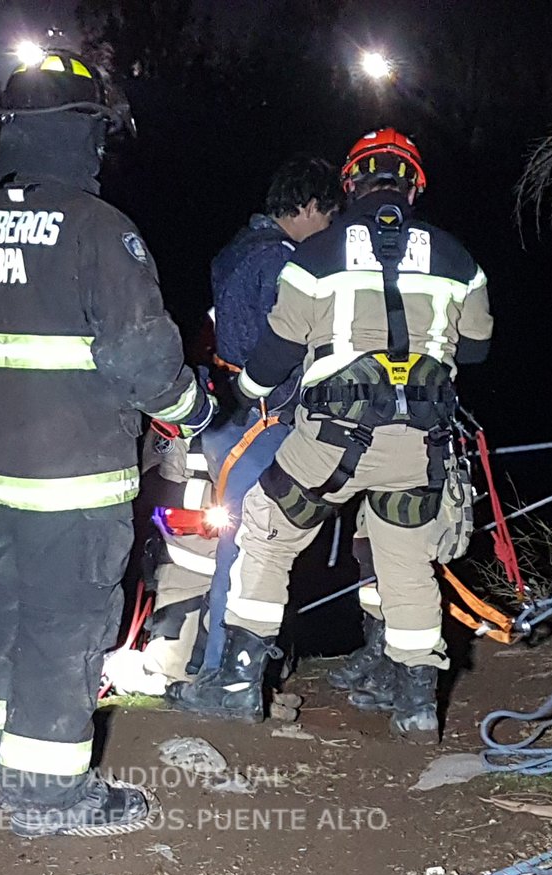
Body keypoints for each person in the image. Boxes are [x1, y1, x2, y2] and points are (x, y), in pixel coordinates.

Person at [0, 46, 214, 837]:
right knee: (67, 624)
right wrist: (192, 408)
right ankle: (47, 796)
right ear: (85, 136)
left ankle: (10, 754)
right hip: (76, 481)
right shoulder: (99, 230)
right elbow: (144, 356)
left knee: (11, 607)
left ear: (11, 131)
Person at [169, 128, 493, 744]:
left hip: (330, 442)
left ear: (351, 184)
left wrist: (246, 394)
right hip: (417, 445)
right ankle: (417, 700)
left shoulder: (317, 254)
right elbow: (475, 348)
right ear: (414, 184)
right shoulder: (458, 257)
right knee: (405, 559)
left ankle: (237, 683)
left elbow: (276, 351)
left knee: (266, 530)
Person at [200, 154, 343, 671]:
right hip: (263, 423)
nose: (326, 232)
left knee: (231, 545)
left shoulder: (237, 248)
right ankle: (223, 670)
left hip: (228, 420)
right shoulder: (280, 259)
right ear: (306, 207)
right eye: (326, 218)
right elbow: (270, 345)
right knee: (249, 549)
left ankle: (209, 661)